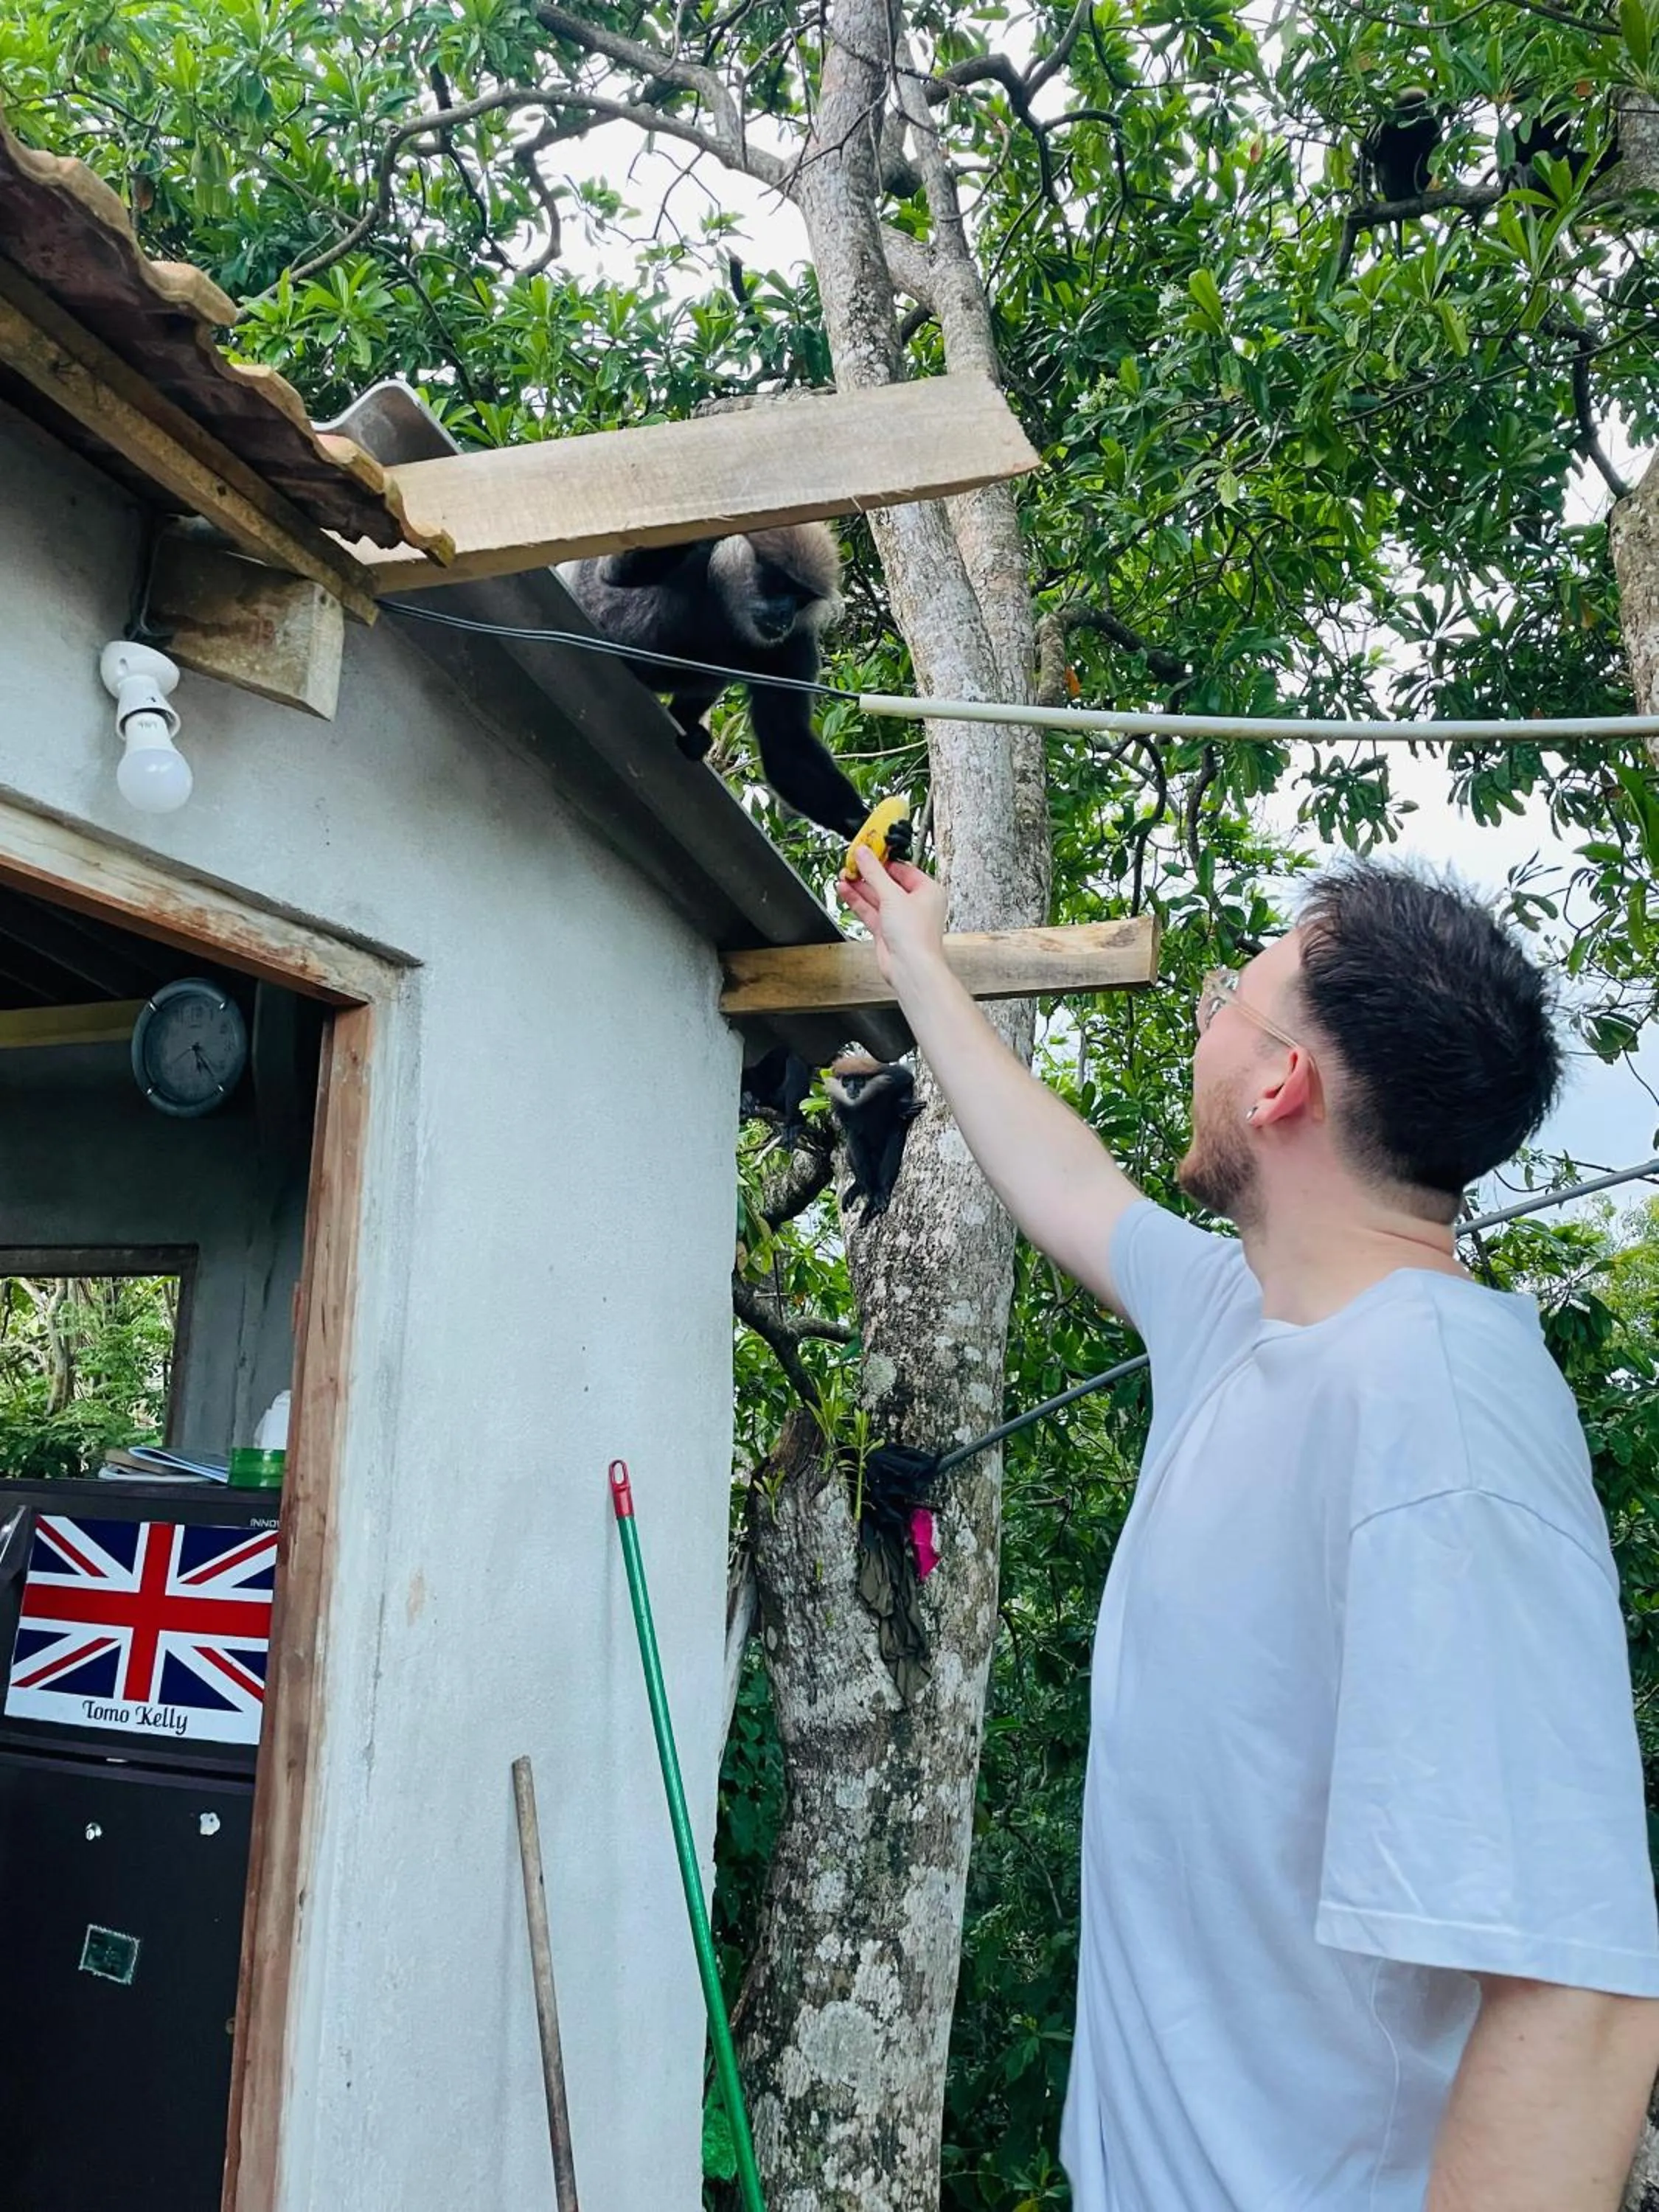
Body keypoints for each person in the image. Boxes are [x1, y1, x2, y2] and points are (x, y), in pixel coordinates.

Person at [840, 847, 1659, 2212]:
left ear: (1283, 1086)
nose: (1208, 1020)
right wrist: (918, 956)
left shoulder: (1438, 1426)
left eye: (1234, 994)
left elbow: (1575, 2004)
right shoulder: (1246, 1317)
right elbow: (1071, 1182)